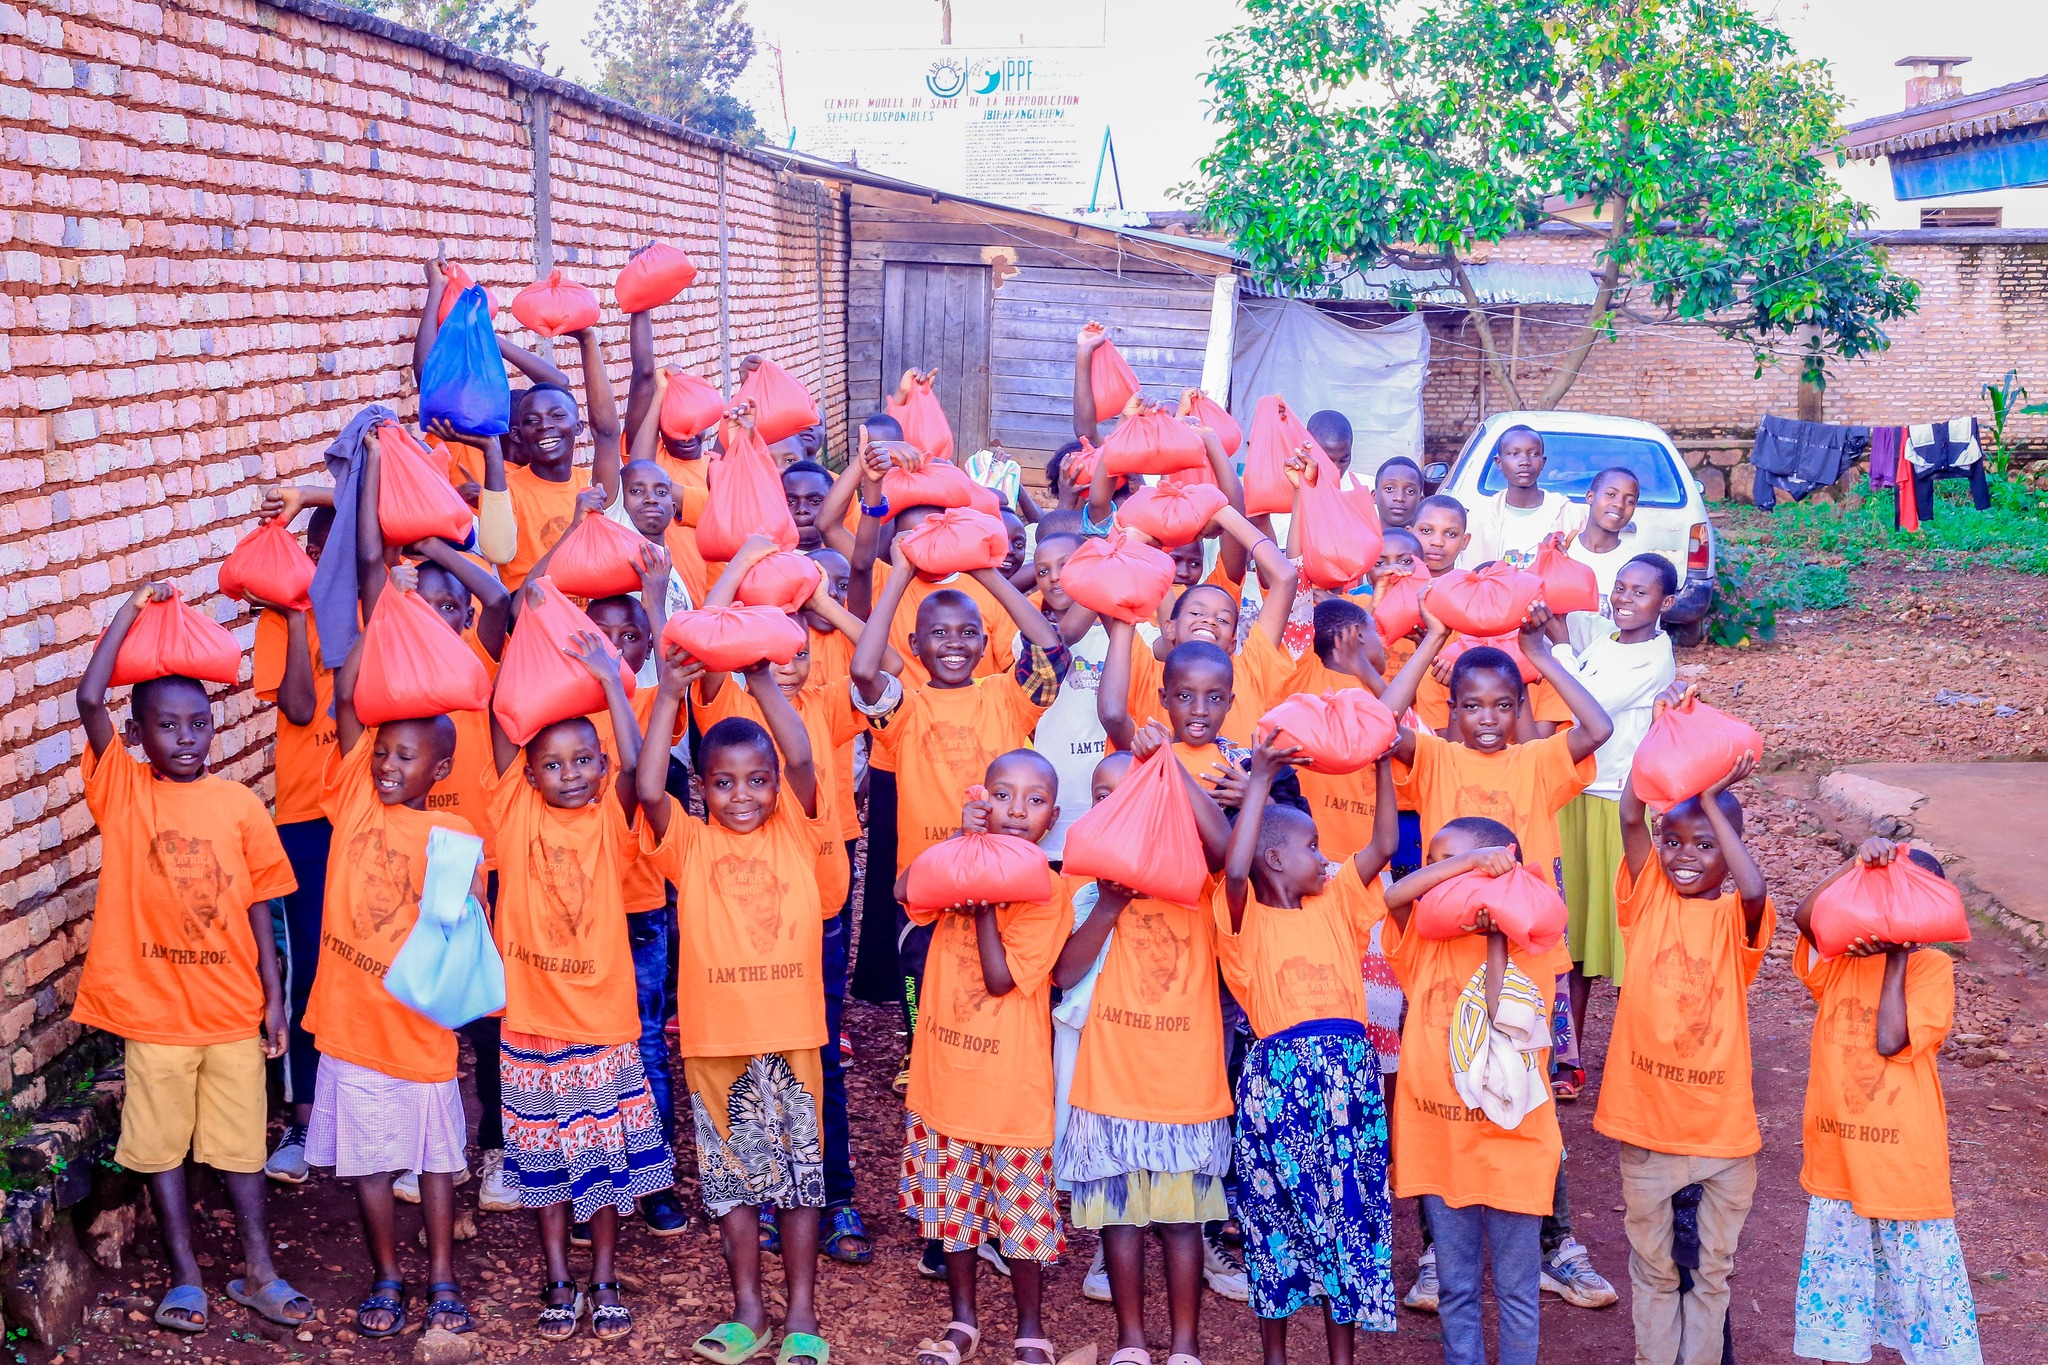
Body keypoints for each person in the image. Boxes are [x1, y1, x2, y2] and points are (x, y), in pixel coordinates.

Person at [73, 583, 312, 1335]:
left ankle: (260, 1271)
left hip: (232, 1011)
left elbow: (262, 905)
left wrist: (274, 1000)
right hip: (154, 1014)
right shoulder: (124, 792)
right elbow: (88, 695)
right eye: (166, 725)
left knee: (242, 1146)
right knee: (161, 1144)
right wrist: (129, 617)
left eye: (199, 722)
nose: (186, 737)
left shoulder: (238, 805)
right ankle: (184, 1277)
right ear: (139, 736)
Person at [1379, 603, 1620, 1316]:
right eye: (1472, 705)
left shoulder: (1540, 761)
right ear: (1449, 710)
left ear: (1520, 709)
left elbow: (1598, 728)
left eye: (1503, 705)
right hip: (1442, 952)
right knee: (1441, 1091)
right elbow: (1380, 726)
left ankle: (1555, 1245)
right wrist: (1432, 639)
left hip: (1527, 957)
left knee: (1530, 1092)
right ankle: (1434, 1253)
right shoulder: (1436, 757)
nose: (1487, 717)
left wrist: (1539, 651)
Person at [636, 643, 834, 1365]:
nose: (742, 795)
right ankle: (749, 1308)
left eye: (757, 780)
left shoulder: (797, 827)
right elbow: (650, 789)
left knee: (799, 1176)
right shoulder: (687, 843)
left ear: (777, 785)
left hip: (791, 1034)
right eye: (723, 782)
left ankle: (804, 1310)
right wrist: (666, 697)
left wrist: (758, 681)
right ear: (705, 790)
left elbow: (805, 759)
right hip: (715, 1041)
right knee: (732, 1181)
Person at [486, 606, 674, 1341]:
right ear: (529, 773)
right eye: (552, 764)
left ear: (601, 768)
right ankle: (557, 1275)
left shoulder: (607, 817)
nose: (569, 774)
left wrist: (611, 685)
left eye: (583, 762)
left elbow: (639, 767)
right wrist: (526, 624)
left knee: (602, 1166)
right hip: (530, 1021)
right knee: (545, 1166)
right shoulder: (514, 812)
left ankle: (603, 1275)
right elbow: (506, 719)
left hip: (600, 1025)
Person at [308, 573, 479, 1337]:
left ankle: (441, 1273)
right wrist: (384, 607)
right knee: (370, 1162)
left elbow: (454, 940)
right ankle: (387, 1273)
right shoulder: (351, 796)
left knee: (436, 1158)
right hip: (349, 1021)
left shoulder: (452, 837)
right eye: (384, 750)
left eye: (406, 758)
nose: (386, 765)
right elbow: (350, 700)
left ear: (437, 772)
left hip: (415, 1027)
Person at [853, 529, 1072, 1100]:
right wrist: (901, 570)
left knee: (993, 975)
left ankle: (992, 1065)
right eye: (939, 634)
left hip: (1009, 876)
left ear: (984, 643)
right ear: (916, 643)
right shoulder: (906, 708)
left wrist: (985, 571)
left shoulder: (1006, 695)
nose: (955, 643)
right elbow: (863, 670)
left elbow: (1049, 652)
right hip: (926, 879)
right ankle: (919, 1049)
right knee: (922, 970)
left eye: (969, 632)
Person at [1054, 722, 1234, 1365]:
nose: (1115, 808)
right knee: (1122, 1221)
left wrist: (1170, 766)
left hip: (1185, 1085)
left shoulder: (1201, 885)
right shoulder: (1085, 891)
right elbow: (1064, 974)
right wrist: (1106, 906)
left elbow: (1228, 845)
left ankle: (1183, 1347)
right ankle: (1131, 1343)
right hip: (1111, 1083)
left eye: (1131, 794)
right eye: (1102, 797)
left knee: (1183, 1224)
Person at [1220, 738, 1401, 1362]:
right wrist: (1261, 782)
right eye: (1312, 847)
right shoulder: (1239, 918)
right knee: (1274, 1220)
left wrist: (1380, 761)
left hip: (1349, 1083)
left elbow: (1382, 846)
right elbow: (1236, 870)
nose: (1324, 858)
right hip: (1279, 1084)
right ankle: (1276, 1354)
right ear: (1276, 856)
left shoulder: (1337, 900)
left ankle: (1340, 1358)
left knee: (1347, 1222)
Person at [1601, 732, 1774, 1365]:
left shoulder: (1736, 919)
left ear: (1729, 852)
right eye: (1673, 841)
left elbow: (1753, 889)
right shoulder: (1646, 898)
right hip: (1645, 1129)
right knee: (1653, 1275)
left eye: (1706, 845)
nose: (1684, 857)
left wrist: (1708, 793)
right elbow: (1629, 814)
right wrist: (1659, 738)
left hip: (1722, 1138)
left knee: (1711, 1277)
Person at [899, 754, 1074, 1365]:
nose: (1018, 810)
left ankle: (1032, 1327)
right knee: (953, 1216)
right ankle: (963, 1322)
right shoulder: (958, 866)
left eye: (1034, 800)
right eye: (1003, 795)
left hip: (1011, 1091)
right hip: (945, 1079)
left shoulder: (1049, 894)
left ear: (1052, 817)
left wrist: (982, 909)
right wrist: (959, 843)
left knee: (1022, 1223)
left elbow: (1001, 982)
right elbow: (904, 891)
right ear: (982, 802)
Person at [1380, 819, 1566, 1365]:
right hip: (1441, 1144)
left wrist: (1493, 937)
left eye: (1460, 861)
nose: (1446, 878)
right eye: (1436, 863)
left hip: (1515, 1145)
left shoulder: (1534, 945)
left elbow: (1497, 1010)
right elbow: (1396, 894)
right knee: (1456, 1288)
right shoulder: (1421, 943)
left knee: (1516, 1292)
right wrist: (1467, 863)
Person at [1790, 841, 1981, 1365]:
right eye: (1878, 897)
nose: (1885, 910)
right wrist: (1856, 865)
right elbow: (1806, 917)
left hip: (1903, 1170)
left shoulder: (1931, 970)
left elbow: (1892, 1040)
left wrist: (1899, 952)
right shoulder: (1838, 961)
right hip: (1840, 1164)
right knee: (1840, 1296)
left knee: (1924, 1303)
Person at [241, 496, 338, 1186]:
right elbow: (301, 707)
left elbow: (382, 504)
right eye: (315, 551)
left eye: (340, 554)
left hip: (370, 811)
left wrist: (310, 494)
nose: (324, 564)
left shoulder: (383, 602)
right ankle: (304, 1122)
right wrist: (301, 607)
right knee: (307, 965)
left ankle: (371, 1115)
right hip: (305, 815)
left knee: (379, 962)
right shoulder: (283, 618)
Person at [1555, 554, 1679, 1075]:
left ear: (1665, 604)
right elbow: (1576, 646)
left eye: (1640, 593)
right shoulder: (1608, 641)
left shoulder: (1655, 659)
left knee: (1623, 936)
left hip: (1617, 805)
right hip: (1577, 793)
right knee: (1573, 938)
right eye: (1620, 589)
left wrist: (1549, 649)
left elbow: (1588, 703)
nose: (1625, 600)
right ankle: (1569, 1057)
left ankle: (1642, 1060)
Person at [1458, 427, 1583, 570]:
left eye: (1534, 454)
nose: (1524, 461)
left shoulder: (1569, 514)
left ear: (1543, 462)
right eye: (1514, 453)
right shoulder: (1480, 517)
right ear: (1499, 462)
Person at [1374, 457, 1426, 530]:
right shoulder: (1358, 539)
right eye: (1389, 489)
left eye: (1410, 491)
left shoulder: (1428, 541)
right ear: (1374, 496)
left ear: (1421, 501)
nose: (1399, 498)